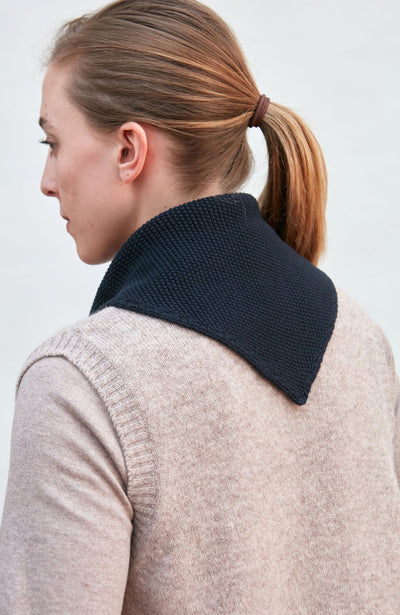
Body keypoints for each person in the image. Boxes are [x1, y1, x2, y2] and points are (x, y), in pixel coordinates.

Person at [0, 0, 399, 612]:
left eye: (53, 142)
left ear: (129, 150)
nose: (46, 180)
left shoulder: (79, 387)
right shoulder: (362, 339)